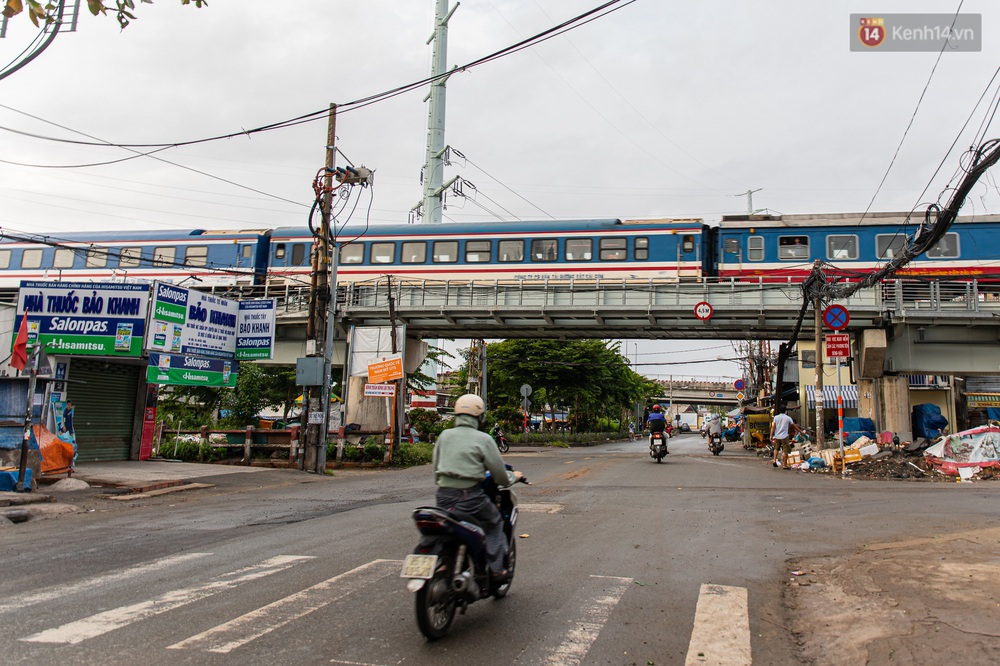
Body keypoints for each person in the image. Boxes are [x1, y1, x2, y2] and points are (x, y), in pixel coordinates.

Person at [433, 394, 522, 579]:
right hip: (471, 498)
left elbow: (436, 467)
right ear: (480, 417)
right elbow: (500, 477)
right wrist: (514, 477)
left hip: (443, 497)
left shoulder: (444, 436)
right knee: (495, 522)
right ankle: (497, 570)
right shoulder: (484, 440)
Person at [769, 404, 798, 469]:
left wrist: (771, 435)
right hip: (784, 436)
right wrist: (800, 431)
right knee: (786, 451)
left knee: (776, 448)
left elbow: (773, 427)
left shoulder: (776, 417)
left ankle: (774, 460)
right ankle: (784, 465)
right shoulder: (788, 418)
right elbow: (794, 426)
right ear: (785, 411)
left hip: (777, 436)